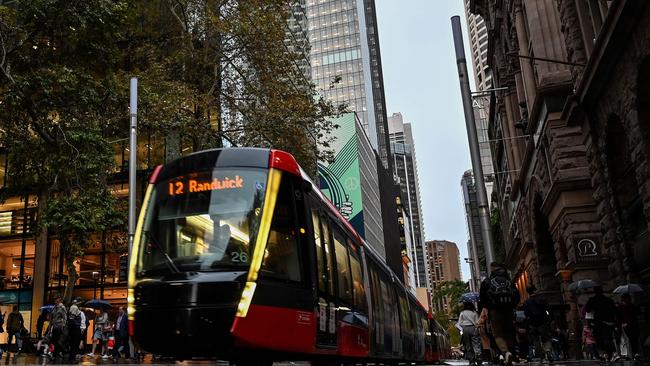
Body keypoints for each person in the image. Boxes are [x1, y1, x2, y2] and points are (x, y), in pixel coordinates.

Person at [479, 262, 519, 366]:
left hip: (495, 311)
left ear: (492, 269)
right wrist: (512, 306)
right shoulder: (509, 281)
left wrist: (488, 308)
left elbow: (482, 299)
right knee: (509, 333)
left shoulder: (487, 282)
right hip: (509, 310)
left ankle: (506, 352)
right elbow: (516, 296)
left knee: (498, 334)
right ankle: (510, 353)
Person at [584, 286, 617, 361]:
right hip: (605, 323)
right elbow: (614, 310)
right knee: (605, 339)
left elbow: (587, 310)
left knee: (602, 339)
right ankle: (610, 354)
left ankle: (609, 354)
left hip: (599, 323)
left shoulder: (593, 300)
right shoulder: (607, 300)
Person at [523, 285, 552, 362]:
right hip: (543, 321)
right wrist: (550, 319)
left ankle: (541, 357)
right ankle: (548, 351)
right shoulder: (542, 299)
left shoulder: (526, 302)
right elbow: (548, 309)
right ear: (535, 290)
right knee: (545, 338)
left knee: (536, 340)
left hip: (533, 323)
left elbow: (526, 314)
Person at [617, 293, 640, 359]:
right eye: (624, 299)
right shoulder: (620, 307)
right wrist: (621, 324)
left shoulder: (632, 306)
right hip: (626, 327)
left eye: (627, 299)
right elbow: (618, 317)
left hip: (633, 326)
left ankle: (635, 353)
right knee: (626, 340)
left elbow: (637, 315)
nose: (625, 301)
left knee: (634, 340)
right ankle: (628, 354)